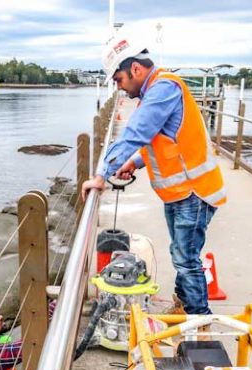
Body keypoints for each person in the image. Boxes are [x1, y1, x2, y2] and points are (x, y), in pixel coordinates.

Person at [81, 29, 227, 315]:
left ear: (135, 68)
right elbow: (160, 140)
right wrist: (133, 163)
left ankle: (198, 320)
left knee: (186, 259)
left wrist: (101, 174)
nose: (120, 88)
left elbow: (137, 132)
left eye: (120, 80)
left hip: (194, 192)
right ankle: (184, 305)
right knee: (182, 254)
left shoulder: (164, 88)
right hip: (180, 193)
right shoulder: (156, 91)